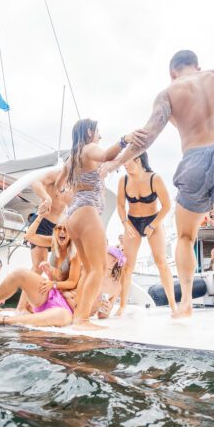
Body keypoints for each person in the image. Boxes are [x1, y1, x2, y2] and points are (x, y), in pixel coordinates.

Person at [102, 50, 214, 344]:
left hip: (192, 161)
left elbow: (147, 137)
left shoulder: (169, 92)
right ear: (198, 66)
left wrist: (113, 164)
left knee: (186, 237)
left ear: (172, 72)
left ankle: (186, 302)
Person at [56, 118, 141, 330]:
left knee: (88, 269)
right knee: (99, 267)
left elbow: (58, 184)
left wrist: (71, 190)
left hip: (73, 215)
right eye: (98, 132)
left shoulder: (71, 158)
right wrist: (124, 140)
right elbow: (105, 155)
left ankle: (79, 316)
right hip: (86, 213)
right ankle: (82, 319)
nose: (100, 137)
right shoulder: (88, 149)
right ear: (88, 133)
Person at [0, 222, 81, 325]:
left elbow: (72, 282)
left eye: (66, 229)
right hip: (49, 293)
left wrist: (53, 283)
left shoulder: (74, 254)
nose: (62, 232)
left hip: (63, 304)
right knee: (20, 273)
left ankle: (4, 320)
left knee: (62, 317)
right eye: (59, 228)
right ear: (55, 231)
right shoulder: (54, 243)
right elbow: (29, 236)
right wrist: (40, 215)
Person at [117, 151, 176, 315]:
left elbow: (166, 206)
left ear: (137, 159)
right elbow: (121, 206)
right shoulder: (124, 180)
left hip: (153, 221)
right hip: (132, 222)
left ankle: (173, 306)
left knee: (161, 262)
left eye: (126, 161)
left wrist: (153, 225)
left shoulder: (154, 178)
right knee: (127, 266)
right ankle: (122, 306)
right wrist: (124, 222)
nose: (124, 164)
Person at [28, 169, 73, 271]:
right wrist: (47, 198)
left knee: (48, 265)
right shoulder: (58, 174)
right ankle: (27, 286)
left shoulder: (76, 182)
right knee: (39, 265)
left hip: (56, 228)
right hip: (42, 222)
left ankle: (33, 285)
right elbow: (35, 182)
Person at [89, 246, 125, 319]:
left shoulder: (117, 287)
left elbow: (103, 315)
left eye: (106, 255)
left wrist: (107, 310)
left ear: (115, 261)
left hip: (89, 318)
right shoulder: (90, 274)